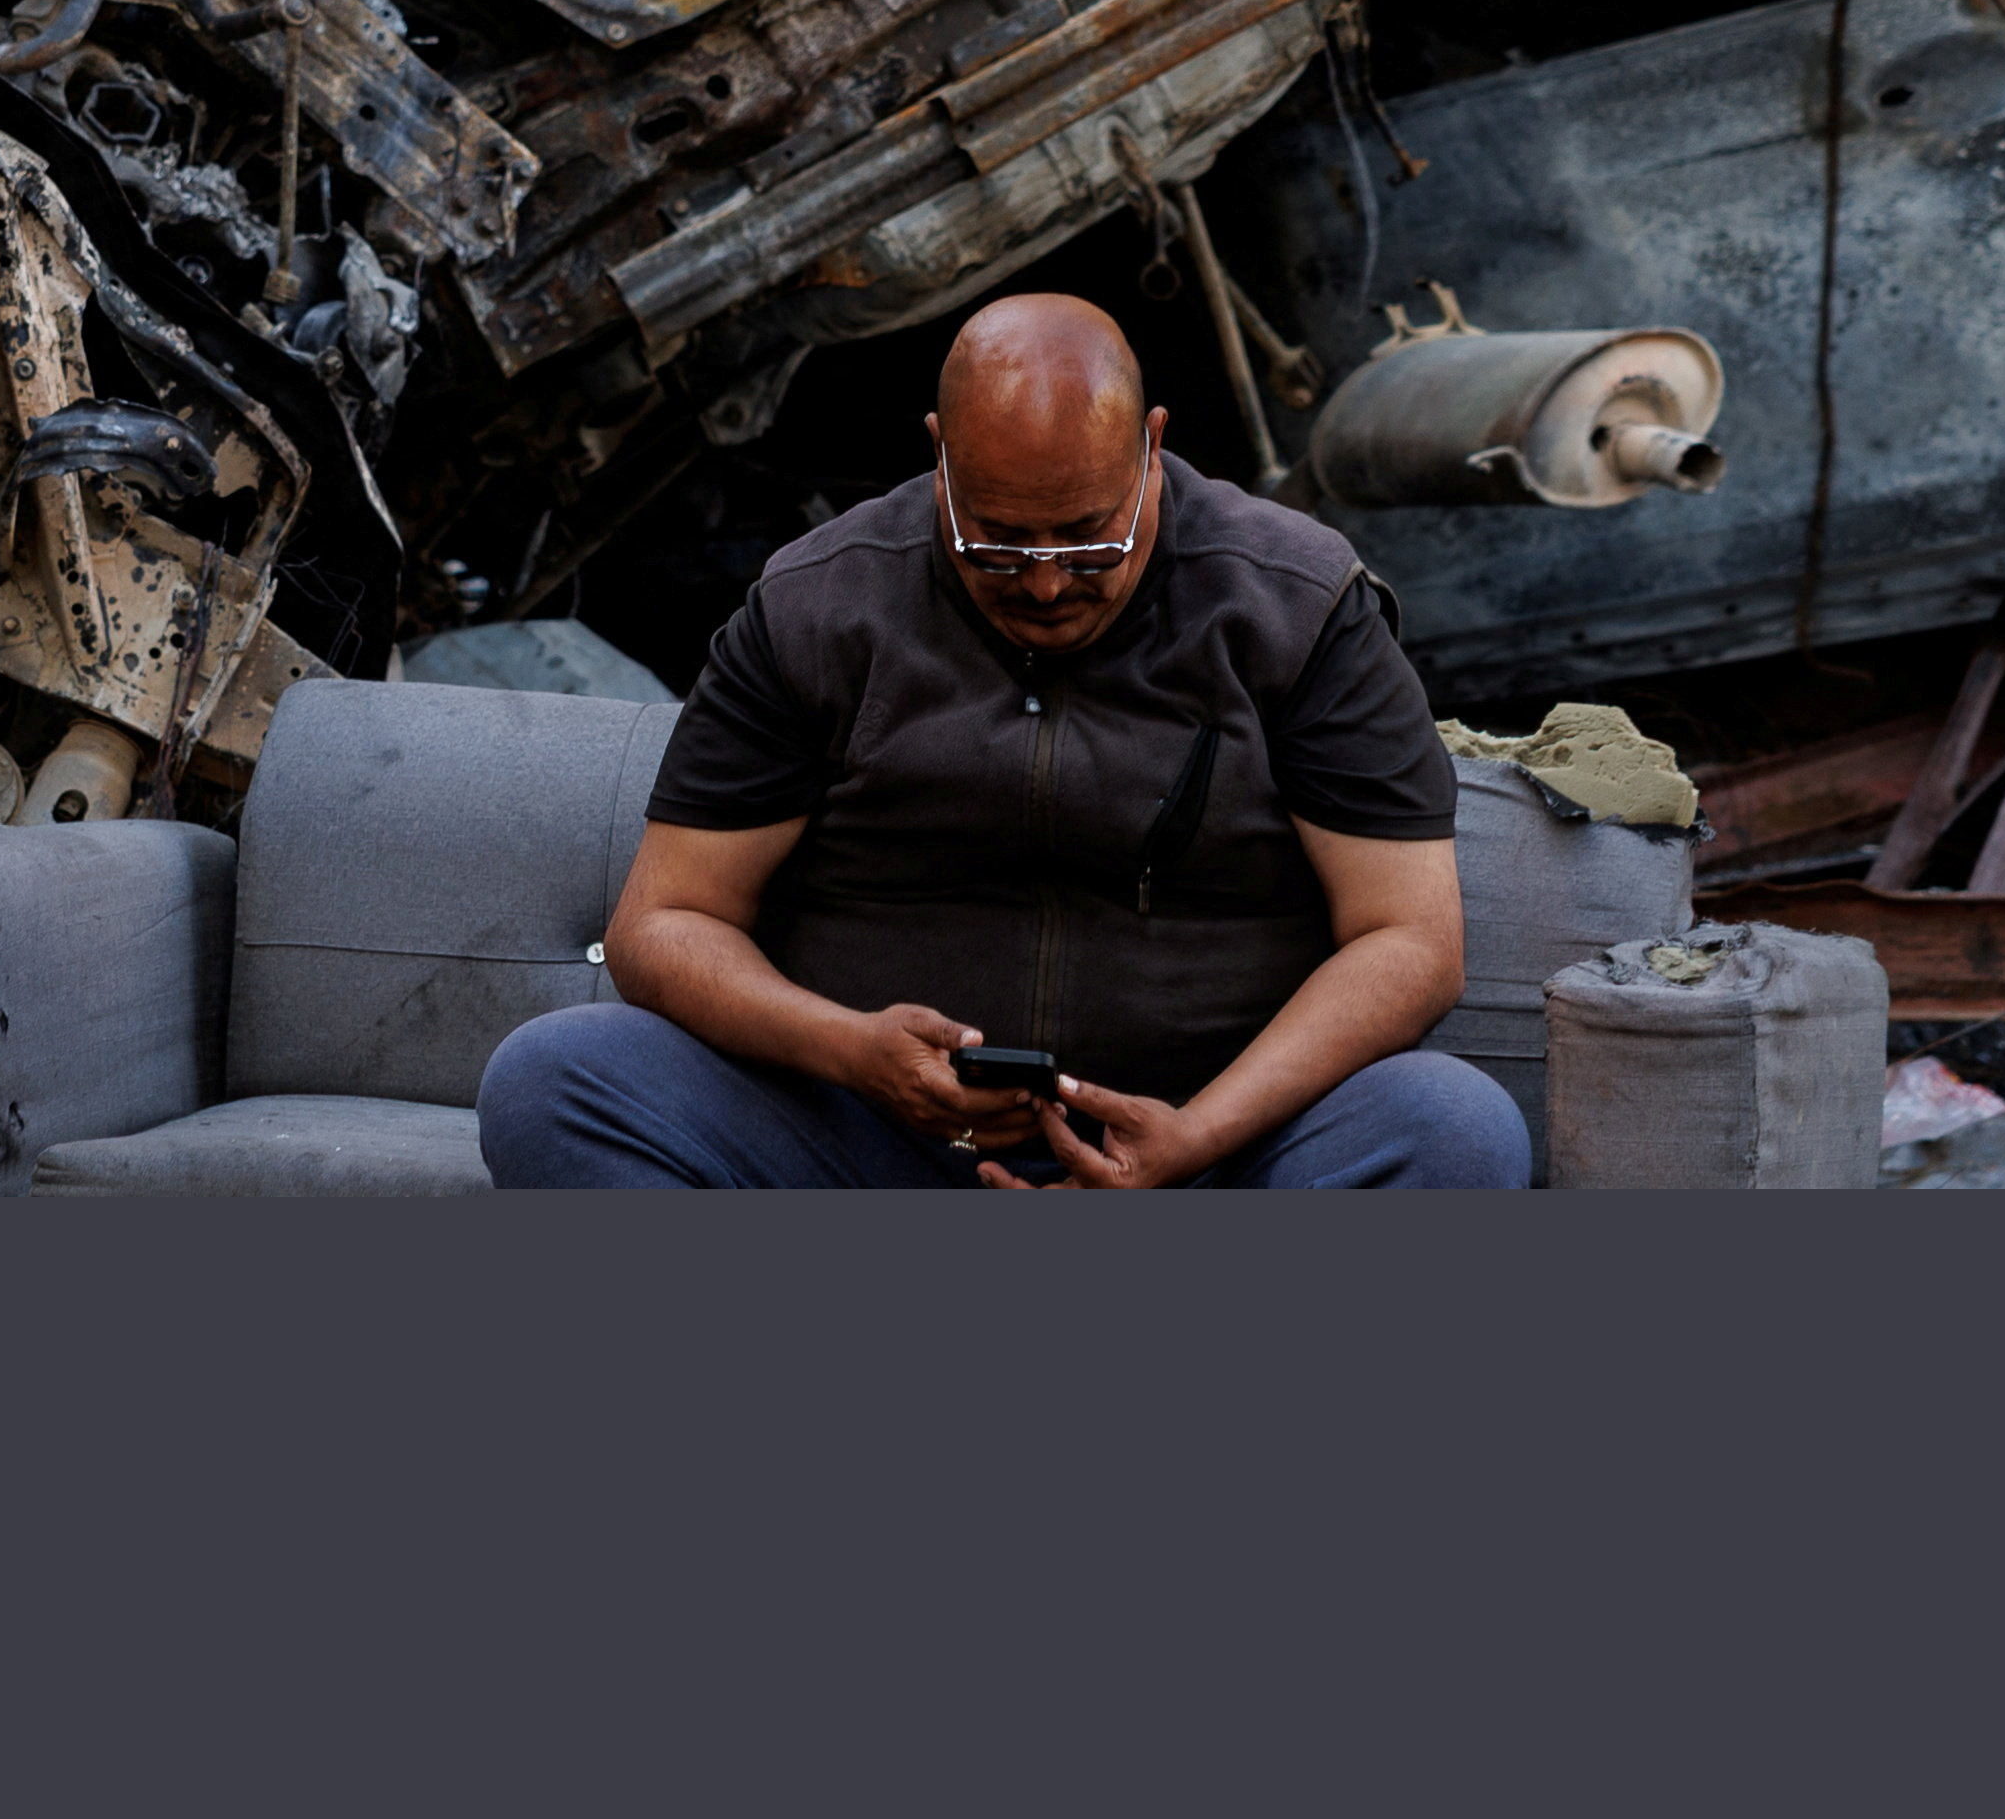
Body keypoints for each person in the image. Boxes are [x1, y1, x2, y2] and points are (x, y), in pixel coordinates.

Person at [476, 292, 1524, 1190]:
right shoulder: (815, 606)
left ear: (1152, 445)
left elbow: (1410, 942)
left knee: (1452, 1126)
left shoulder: (1298, 604)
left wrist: (1197, 1132)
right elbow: (665, 921)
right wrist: (850, 1048)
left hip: (1207, 1148)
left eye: (1087, 537)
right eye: (996, 538)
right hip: (867, 1139)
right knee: (553, 1078)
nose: (1042, 581)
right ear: (939, 455)